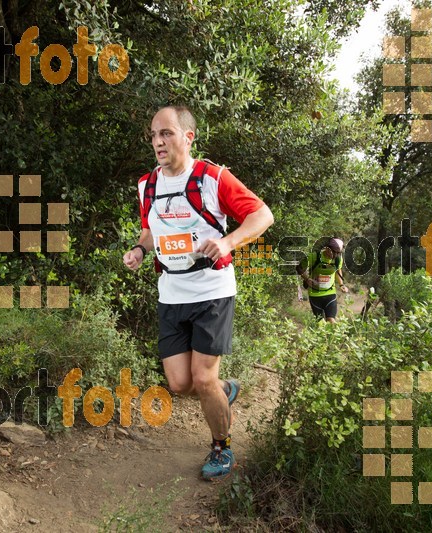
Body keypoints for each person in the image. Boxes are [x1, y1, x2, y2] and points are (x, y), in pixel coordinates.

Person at [123, 105, 274, 480]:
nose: (158, 142)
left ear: (187, 137)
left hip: (212, 290)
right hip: (171, 293)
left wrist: (229, 242)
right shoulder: (148, 185)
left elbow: (262, 215)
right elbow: (150, 229)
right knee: (180, 383)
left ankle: (222, 448)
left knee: (203, 379)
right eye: (154, 135)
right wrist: (140, 250)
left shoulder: (212, 177)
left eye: (167, 133)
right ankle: (224, 390)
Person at [296, 238, 348, 324]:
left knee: (331, 321)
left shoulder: (338, 259)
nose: (335, 254)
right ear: (327, 248)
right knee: (321, 324)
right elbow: (299, 268)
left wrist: (341, 285)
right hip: (315, 294)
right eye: (334, 251)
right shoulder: (314, 256)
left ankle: (338, 337)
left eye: (338, 252)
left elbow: (338, 271)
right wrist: (306, 278)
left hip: (330, 293)